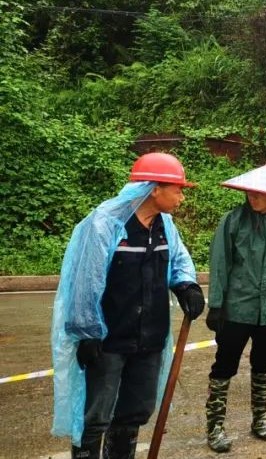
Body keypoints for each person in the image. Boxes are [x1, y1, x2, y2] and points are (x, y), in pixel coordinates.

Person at [51, 152, 203, 459]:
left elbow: (178, 261)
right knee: (96, 415)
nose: (182, 197)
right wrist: (87, 331)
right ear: (154, 188)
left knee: (136, 411)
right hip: (108, 341)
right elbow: (85, 279)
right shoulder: (106, 224)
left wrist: (187, 286)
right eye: (178, 189)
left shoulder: (165, 226)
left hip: (149, 339)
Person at [203, 163, 266, 453]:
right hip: (237, 308)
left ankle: (259, 420)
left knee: (263, 365)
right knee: (224, 366)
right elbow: (220, 263)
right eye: (249, 191)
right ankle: (215, 428)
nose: (251, 196)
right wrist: (217, 305)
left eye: (258, 193)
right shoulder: (233, 221)